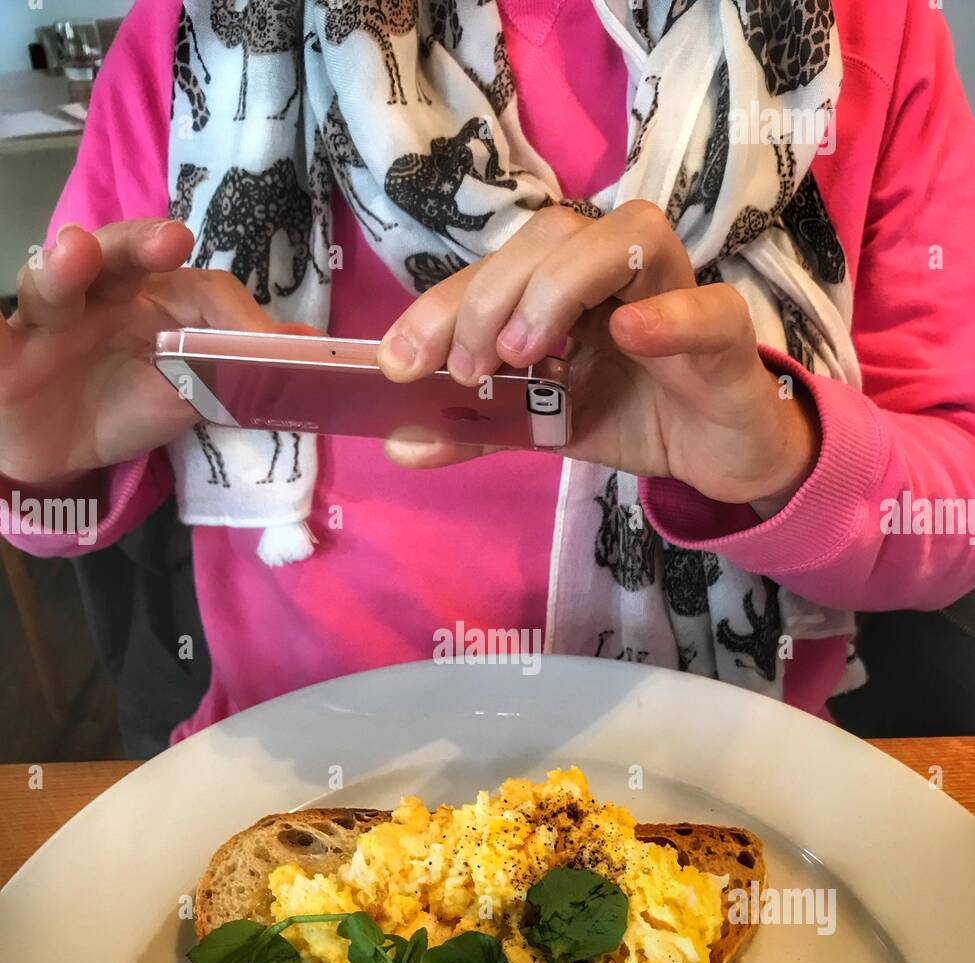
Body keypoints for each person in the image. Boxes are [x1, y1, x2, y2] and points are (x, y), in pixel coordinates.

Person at [2, 0, 974, 743]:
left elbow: (955, 515)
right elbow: (79, 452)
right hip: (297, 802)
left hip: (714, 798)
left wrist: (781, 455)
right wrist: (44, 462)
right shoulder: (194, 42)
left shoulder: (872, 34)